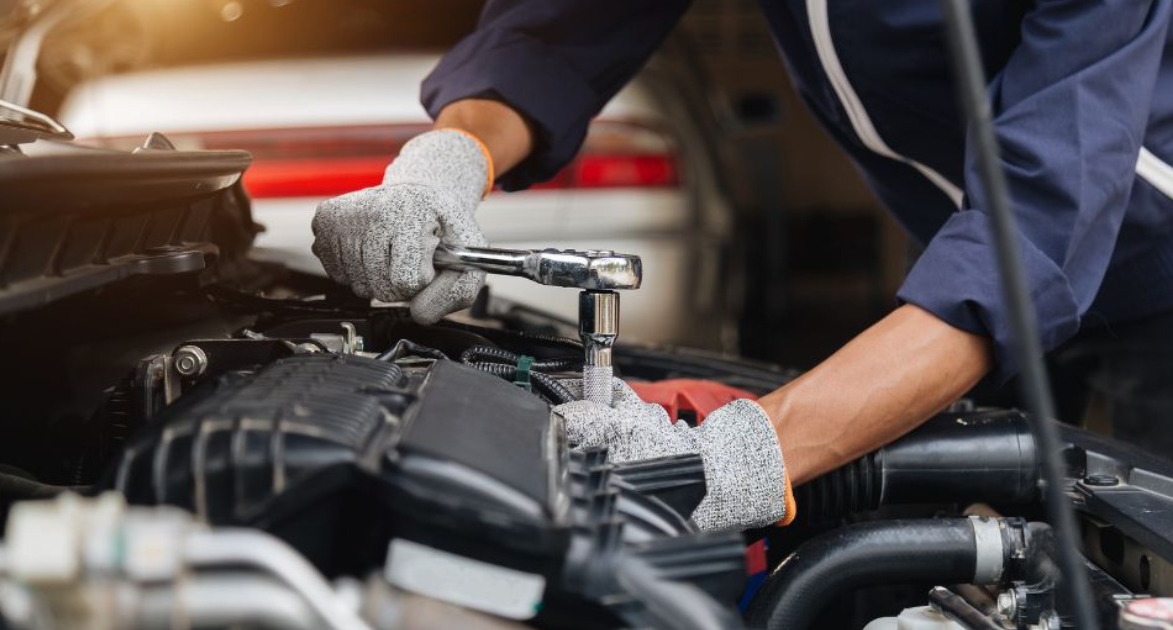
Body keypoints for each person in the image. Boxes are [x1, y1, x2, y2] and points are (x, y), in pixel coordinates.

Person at [312, 0, 1173, 532]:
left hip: (1147, 260)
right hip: (959, 255)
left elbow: (1038, 225)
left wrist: (746, 454)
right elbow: (554, 31)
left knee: (1139, 560)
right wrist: (449, 162)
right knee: (957, 564)